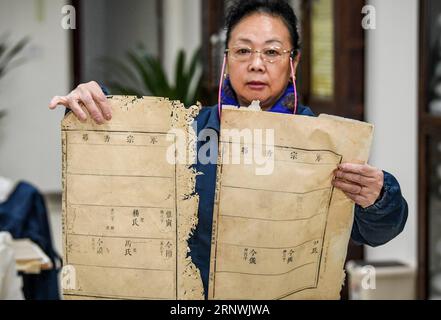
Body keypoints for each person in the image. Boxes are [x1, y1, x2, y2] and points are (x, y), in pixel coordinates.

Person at [49, 0, 408, 298]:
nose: (256, 64)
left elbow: (377, 231)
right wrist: (88, 107)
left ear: (293, 63)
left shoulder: (326, 147)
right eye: (242, 50)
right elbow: (130, 165)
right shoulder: (191, 133)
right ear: (225, 61)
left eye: (272, 52)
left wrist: (379, 196)